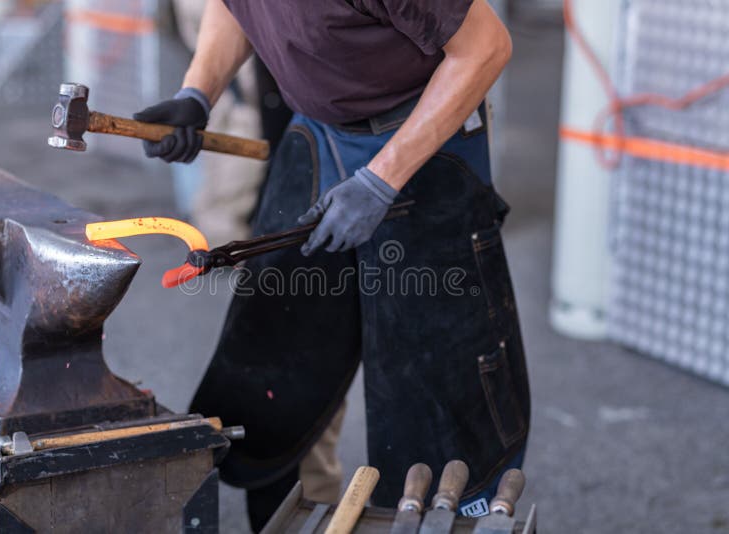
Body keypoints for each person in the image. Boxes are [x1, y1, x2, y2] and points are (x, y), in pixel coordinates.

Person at [134, 1, 530, 531]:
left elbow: (486, 47)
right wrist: (198, 91)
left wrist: (381, 179)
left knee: (431, 398)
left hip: (425, 136)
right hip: (317, 134)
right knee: (273, 365)